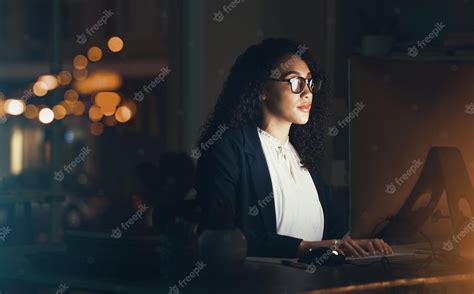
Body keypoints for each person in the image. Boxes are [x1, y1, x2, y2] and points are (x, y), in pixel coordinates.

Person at [195, 38, 393, 258]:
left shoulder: (300, 153)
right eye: (296, 82)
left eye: (310, 83)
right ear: (262, 90)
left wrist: (355, 244)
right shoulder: (228, 147)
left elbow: (333, 231)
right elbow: (217, 234)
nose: (307, 93)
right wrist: (303, 247)